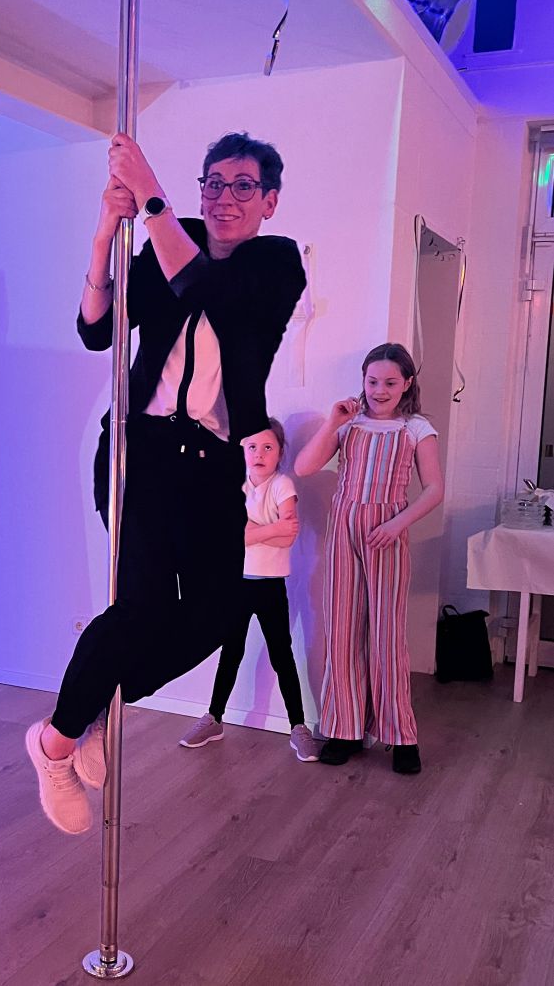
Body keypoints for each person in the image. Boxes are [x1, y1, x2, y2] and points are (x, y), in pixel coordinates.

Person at [26, 131, 306, 833]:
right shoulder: (160, 238)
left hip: (213, 460)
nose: (223, 198)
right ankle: (56, 745)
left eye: (243, 185)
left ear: (269, 200)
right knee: (142, 606)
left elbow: (208, 291)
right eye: (213, 183)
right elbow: (97, 329)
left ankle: (92, 710)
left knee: (216, 613)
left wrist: (150, 194)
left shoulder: (277, 264)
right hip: (141, 451)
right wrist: (102, 236)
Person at [294, 343, 444, 775]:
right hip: (343, 531)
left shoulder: (416, 428)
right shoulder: (349, 423)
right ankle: (344, 730)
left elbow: (434, 489)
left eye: (390, 383)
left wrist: (397, 525)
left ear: (407, 383)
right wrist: (333, 422)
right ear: (363, 380)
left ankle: (401, 736)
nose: (380, 390)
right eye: (373, 381)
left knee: (386, 635)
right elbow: (304, 467)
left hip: (387, 534)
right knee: (342, 630)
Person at [178, 420, 319, 762]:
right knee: (231, 652)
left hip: (270, 586)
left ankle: (298, 726)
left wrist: (249, 529)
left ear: (280, 453)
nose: (259, 453)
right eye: (252, 447)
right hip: (235, 584)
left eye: (268, 447)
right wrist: (270, 528)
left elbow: (288, 537)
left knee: (281, 655)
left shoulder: (283, 484)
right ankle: (214, 718)